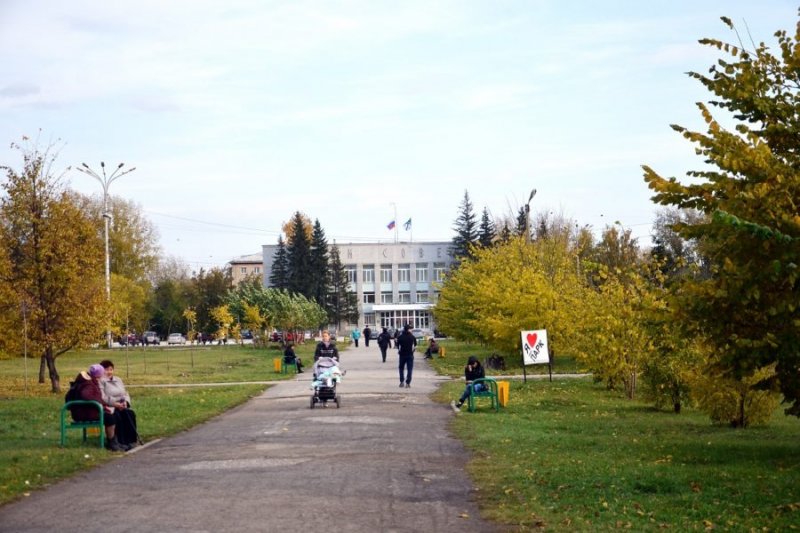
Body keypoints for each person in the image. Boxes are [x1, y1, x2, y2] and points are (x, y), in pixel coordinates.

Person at [72, 364, 126, 451]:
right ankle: (111, 443)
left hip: (89, 410)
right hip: (84, 412)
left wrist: (103, 406)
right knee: (110, 418)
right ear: (97, 375)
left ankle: (115, 441)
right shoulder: (88, 383)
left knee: (113, 416)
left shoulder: (92, 381)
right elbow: (86, 395)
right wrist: (101, 404)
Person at [99, 359, 141, 449]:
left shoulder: (118, 379)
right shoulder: (101, 381)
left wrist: (126, 402)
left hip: (122, 404)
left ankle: (131, 440)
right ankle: (120, 441)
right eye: (106, 370)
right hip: (110, 406)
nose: (109, 372)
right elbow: (103, 397)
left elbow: (125, 393)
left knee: (130, 414)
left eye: (111, 369)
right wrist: (115, 404)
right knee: (117, 416)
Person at [396, 324, 417, 388]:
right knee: (409, 369)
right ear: (408, 329)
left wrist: (399, 351)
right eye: (410, 329)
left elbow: (397, 345)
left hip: (402, 355)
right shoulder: (412, 337)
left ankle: (402, 382)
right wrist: (413, 351)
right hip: (410, 355)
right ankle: (408, 383)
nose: (411, 330)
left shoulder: (400, 337)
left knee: (401, 368)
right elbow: (415, 345)